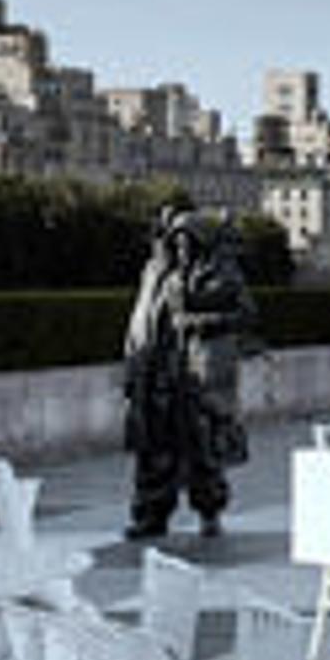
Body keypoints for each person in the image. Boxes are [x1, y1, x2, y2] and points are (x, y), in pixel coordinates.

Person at [121, 209, 256, 541]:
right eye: (176, 243)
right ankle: (152, 514)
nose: (182, 250)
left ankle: (210, 511)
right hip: (161, 368)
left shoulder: (221, 273)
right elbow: (141, 319)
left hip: (199, 371)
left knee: (203, 446)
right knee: (155, 449)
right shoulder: (157, 276)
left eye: (188, 243)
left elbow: (246, 314)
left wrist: (202, 323)